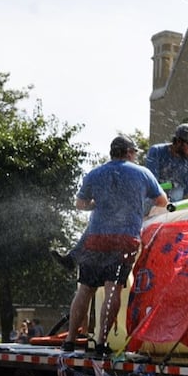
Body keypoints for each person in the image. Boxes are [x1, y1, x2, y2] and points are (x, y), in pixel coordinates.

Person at [64, 135, 168, 355]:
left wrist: (97, 204)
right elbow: (162, 201)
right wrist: (142, 208)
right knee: (113, 290)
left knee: (85, 289)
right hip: (125, 241)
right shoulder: (142, 173)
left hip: (96, 239)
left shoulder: (94, 174)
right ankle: (101, 341)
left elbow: (80, 204)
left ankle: (70, 340)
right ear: (129, 152)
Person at [142, 123, 188, 203]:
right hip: (153, 201)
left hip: (176, 207)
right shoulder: (157, 152)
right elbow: (152, 187)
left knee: (178, 192)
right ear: (178, 141)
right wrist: (170, 187)